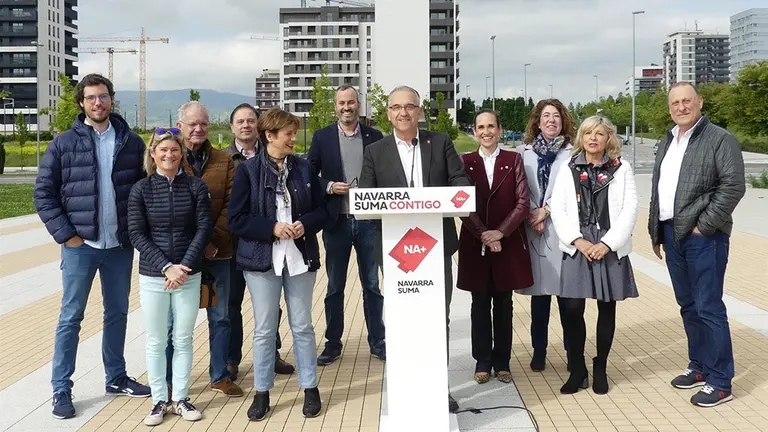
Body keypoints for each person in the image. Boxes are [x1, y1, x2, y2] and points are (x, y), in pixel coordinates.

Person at [34, 73, 150, 420]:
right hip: (80, 245)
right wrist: (67, 235)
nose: (97, 103)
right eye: (90, 98)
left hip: (118, 246)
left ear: (112, 99)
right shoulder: (63, 143)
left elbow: (142, 191)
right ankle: (61, 388)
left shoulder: (131, 143)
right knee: (71, 317)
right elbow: (43, 194)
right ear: (82, 103)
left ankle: (116, 377)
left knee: (117, 313)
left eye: (103, 96)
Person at [359, 85, 472, 413]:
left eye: (409, 106)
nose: (403, 112)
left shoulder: (440, 142)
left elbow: (459, 181)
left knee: (437, 318)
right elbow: (366, 195)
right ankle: (407, 386)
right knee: (403, 318)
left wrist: (457, 194)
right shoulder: (375, 151)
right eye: (396, 107)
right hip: (396, 251)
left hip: (435, 247)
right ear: (388, 113)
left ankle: (439, 387)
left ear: (420, 111)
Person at [648, 82, 745, 407]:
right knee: (689, 306)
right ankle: (700, 366)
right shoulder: (668, 140)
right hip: (672, 234)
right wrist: (656, 232)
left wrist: (704, 226)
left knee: (708, 307)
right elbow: (659, 188)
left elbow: (733, 186)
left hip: (704, 237)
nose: (681, 107)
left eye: (686, 101)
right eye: (675, 103)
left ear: (700, 102)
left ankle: (720, 381)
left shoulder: (720, 138)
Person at [228, 108, 328, 421]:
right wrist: (271, 227)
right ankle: (262, 392)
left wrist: (304, 224)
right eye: (288, 134)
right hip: (262, 261)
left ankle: (310, 388)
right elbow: (236, 220)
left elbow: (323, 211)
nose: (293, 139)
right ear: (269, 135)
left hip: (299, 259)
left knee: (302, 326)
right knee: (264, 329)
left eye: (294, 133)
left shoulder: (304, 168)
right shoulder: (247, 171)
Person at [128, 128, 212, 426]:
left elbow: (203, 228)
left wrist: (184, 266)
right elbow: (136, 233)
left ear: (182, 153)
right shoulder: (141, 189)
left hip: (188, 275)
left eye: (174, 150)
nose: (169, 155)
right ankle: (159, 400)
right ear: (152, 154)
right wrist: (166, 267)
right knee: (156, 340)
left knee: (183, 338)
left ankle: (181, 398)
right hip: (155, 276)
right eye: (162, 150)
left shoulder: (196, 186)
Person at [549, 115, 638, 395]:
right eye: (588, 133)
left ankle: (601, 366)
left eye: (599, 133)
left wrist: (608, 244)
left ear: (608, 138)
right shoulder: (568, 167)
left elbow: (630, 209)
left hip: (608, 244)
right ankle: (578, 368)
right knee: (572, 308)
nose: (593, 138)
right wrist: (578, 241)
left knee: (606, 307)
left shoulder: (621, 168)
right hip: (578, 243)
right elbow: (558, 208)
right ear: (581, 137)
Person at [165, 101, 242, 397]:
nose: (198, 129)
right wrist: (191, 246)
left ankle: (220, 375)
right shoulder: (169, 156)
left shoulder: (225, 160)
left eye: (204, 124)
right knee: (174, 320)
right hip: (179, 256)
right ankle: (169, 379)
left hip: (217, 252)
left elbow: (231, 205)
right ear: (180, 126)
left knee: (220, 316)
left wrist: (212, 242)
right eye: (192, 123)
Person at [307, 85, 386, 366]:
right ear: (335, 107)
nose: (346, 107)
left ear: (358, 105)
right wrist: (329, 186)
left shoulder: (375, 137)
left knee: (372, 285)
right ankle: (333, 343)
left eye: (351, 102)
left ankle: (378, 341)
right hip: (336, 222)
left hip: (368, 223)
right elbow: (309, 174)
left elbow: (385, 174)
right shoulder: (322, 137)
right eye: (341, 103)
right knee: (335, 286)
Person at [457, 109, 532, 385]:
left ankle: (502, 361)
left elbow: (523, 202)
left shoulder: (513, 160)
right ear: (474, 131)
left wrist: (500, 233)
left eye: (491, 126)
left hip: (506, 243)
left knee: (503, 303)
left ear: (499, 129)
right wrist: (483, 234)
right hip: (474, 242)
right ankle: (482, 360)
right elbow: (460, 201)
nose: (486, 132)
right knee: (479, 303)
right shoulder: (465, 162)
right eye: (481, 127)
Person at [223, 103, 295, 379]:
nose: (246, 125)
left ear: (261, 126)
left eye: (250, 120)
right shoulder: (223, 158)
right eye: (240, 121)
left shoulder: (275, 155)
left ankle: (271, 354)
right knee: (232, 304)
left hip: (267, 244)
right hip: (232, 244)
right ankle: (232, 359)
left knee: (270, 305)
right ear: (232, 127)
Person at [518, 99, 576, 372]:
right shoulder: (524, 153)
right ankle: (539, 351)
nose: (551, 120)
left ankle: (571, 351)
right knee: (539, 298)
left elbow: (572, 191)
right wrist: (533, 212)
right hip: (533, 229)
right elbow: (520, 188)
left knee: (567, 298)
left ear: (563, 121)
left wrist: (546, 211)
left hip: (561, 229)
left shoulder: (572, 153)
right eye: (546, 116)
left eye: (556, 116)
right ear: (537, 121)